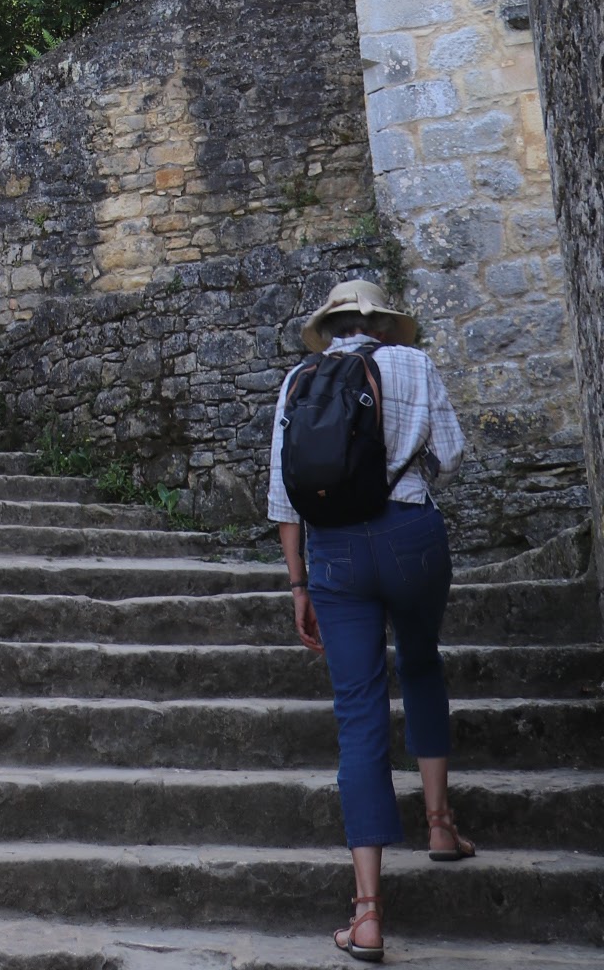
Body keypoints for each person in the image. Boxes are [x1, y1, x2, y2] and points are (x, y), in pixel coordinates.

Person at [267, 277, 471, 966]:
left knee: (358, 715)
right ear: (382, 323)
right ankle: (439, 826)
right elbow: (451, 454)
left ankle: (368, 915)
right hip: (412, 537)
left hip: (334, 555)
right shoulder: (413, 362)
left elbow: (283, 497)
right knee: (421, 663)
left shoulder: (299, 379)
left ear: (330, 328)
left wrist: (298, 584)